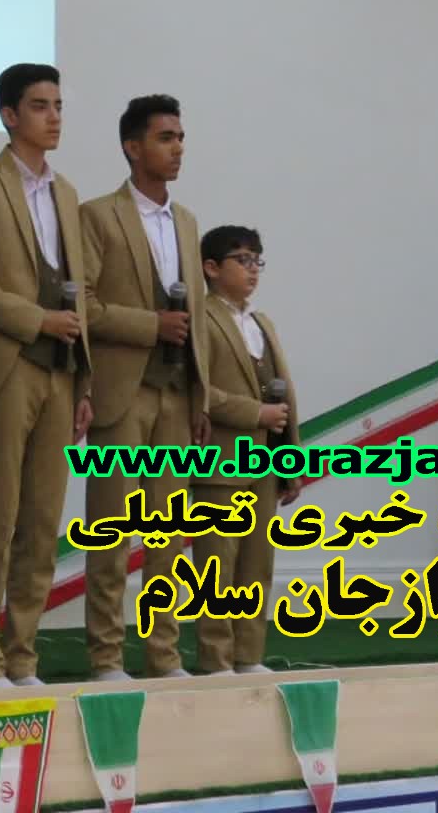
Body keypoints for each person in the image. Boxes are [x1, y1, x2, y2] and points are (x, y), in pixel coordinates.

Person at [0, 64, 93, 689]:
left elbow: (77, 291)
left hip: (61, 372)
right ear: (9, 115)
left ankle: (23, 656)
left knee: (41, 521)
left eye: (58, 105)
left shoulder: (67, 192)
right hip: (8, 364)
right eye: (40, 105)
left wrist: (84, 381)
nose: (54, 116)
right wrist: (35, 319)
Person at [80, 94, 210, 682]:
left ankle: (164, 655)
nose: (177, 148)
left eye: (180, 137)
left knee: (171, 539)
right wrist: (149, 325)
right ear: (132, 148)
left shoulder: (187, 222)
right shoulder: (97, 215)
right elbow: (84, 304)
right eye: (165, 138)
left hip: (177, 395)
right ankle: (106, 657)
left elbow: (198, 318)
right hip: (121, 392)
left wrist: (201, 396)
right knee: (110, 533)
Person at [193, 225, 300, 676]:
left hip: (265, 461)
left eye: (258, 261)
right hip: (220, 459)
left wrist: (290, 460)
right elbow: (197, 390)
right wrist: (255, 413)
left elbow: (284, 391)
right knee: (217, 566)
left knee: (257, 565)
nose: (253, 270)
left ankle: (248, 655)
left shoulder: (262, 322)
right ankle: (216, 658)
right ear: (211, 268)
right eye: (242, 260)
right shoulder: (200, 318)